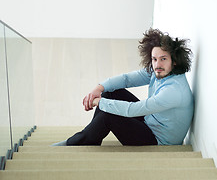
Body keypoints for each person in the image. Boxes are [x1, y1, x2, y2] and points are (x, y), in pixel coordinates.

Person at [52, 28, 194, 146]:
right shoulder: (161, 71)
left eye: (163, 59)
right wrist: (100, 88)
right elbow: (127, 79)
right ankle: (90, 137)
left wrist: (100, 102)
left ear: (174, 61)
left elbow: (133, 110)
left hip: (157, 141)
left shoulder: (173, 91)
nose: (157, 65)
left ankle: (78, 142)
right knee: (110, 92)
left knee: (108, 115)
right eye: (154, 59)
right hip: (151, 121)